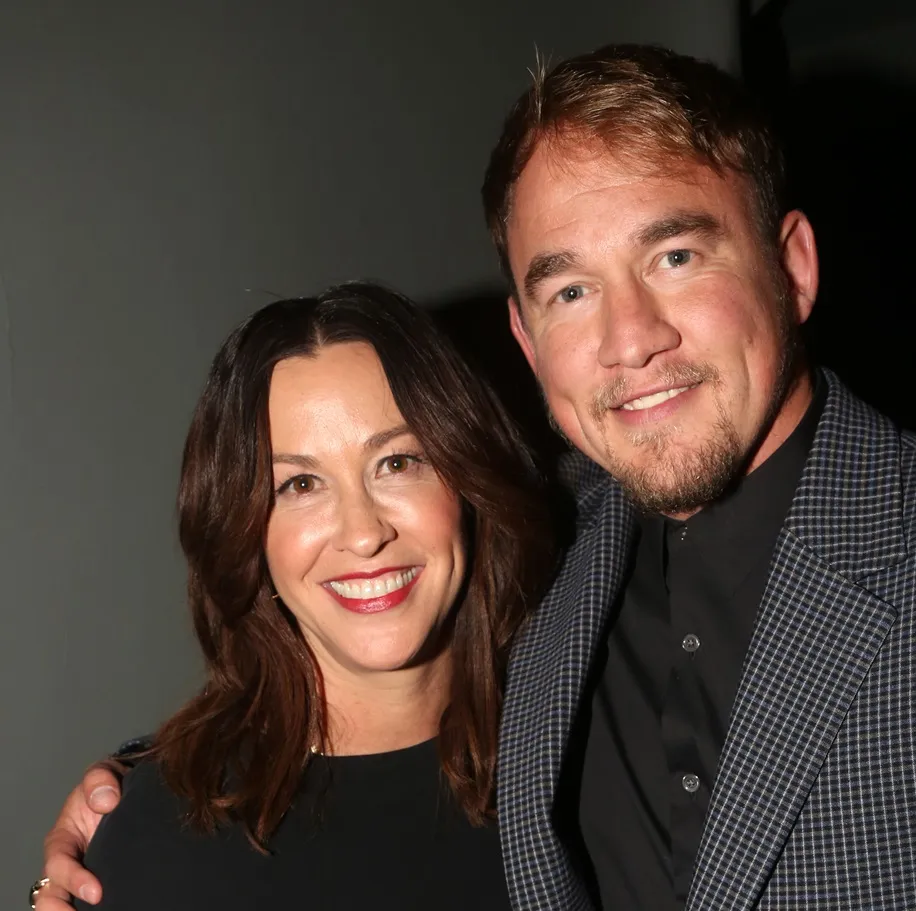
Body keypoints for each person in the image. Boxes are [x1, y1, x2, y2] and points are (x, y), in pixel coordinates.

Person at [39, 45, 916, 910]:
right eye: (571, 288)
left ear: (793, 266)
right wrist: (136, 797)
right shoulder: (558, 548)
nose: (630, 336)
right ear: (529, 337)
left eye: (676, 254)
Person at [33, 281, 554, 909]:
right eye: (301, 483)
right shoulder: (164, 832)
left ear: (469, 478)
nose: (364, 534)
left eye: (398, 462)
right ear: (246, 531)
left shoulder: (586, 760)